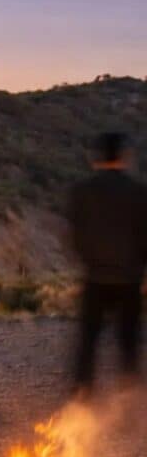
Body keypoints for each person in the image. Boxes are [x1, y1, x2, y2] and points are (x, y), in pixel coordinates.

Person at [68, 132, 147, 392]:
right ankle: (127, 401)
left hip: (95, 278)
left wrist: (89, 260)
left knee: (88, 343)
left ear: (96, 157)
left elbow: (75, 235)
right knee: (128, 344)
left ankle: (83, 397)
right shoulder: (137, 192)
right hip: (129, 280)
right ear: (123, 156)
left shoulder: (82, 191)